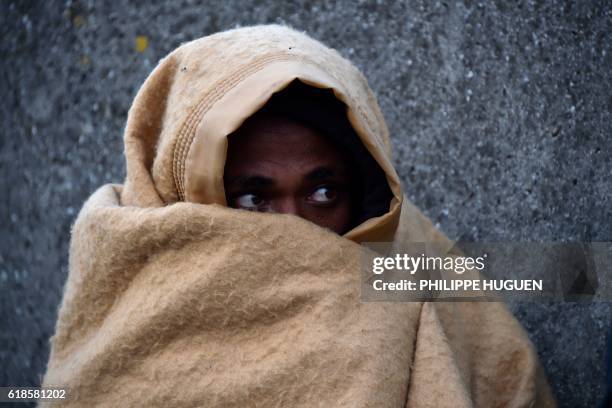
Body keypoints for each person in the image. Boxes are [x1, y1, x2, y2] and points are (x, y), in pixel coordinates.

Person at [42, 25, 555, 407]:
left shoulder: (408, 262)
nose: (292, 227)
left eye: (324, 192)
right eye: (252, 199)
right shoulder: (127, 258)